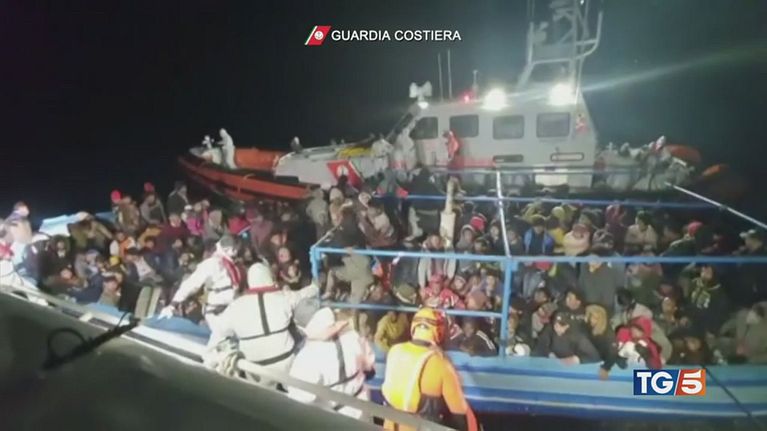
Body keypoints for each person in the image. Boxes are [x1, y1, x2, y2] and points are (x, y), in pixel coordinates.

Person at [211, 262, 319, 385]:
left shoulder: (235, 306)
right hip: (286, 361)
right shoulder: (283, 297)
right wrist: (315, 286)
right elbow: (304, 293)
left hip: (254, 367)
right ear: (269, 277)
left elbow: (219, 332)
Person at [381, 308, 478, 431]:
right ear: (439, 332)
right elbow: (460, 413)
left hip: (389, 426)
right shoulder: (440, 364)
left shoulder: (394, 351)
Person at [288, 308, 376, 420]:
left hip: (330, 419)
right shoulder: (355, 337)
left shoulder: (306, 357)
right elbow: (370, 368)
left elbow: (301, 399)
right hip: (362, 408)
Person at [160, 236, 241, 335]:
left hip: (233, 308)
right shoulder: (213, 264)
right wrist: (174, 303)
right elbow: (191, 284)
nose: (236, 251)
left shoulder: (235, 265)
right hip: (219, 310)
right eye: (234, 249)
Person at [532, 311, 601, 365]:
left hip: (572, 369)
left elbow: (595, 357)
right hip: (552, 366)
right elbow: (538, 349)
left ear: (567, 326)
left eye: (561, 325)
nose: (557, 326)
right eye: (555, 323)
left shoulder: (577, 337)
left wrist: (578, 359)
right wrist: (548, 354)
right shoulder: (549, 331)